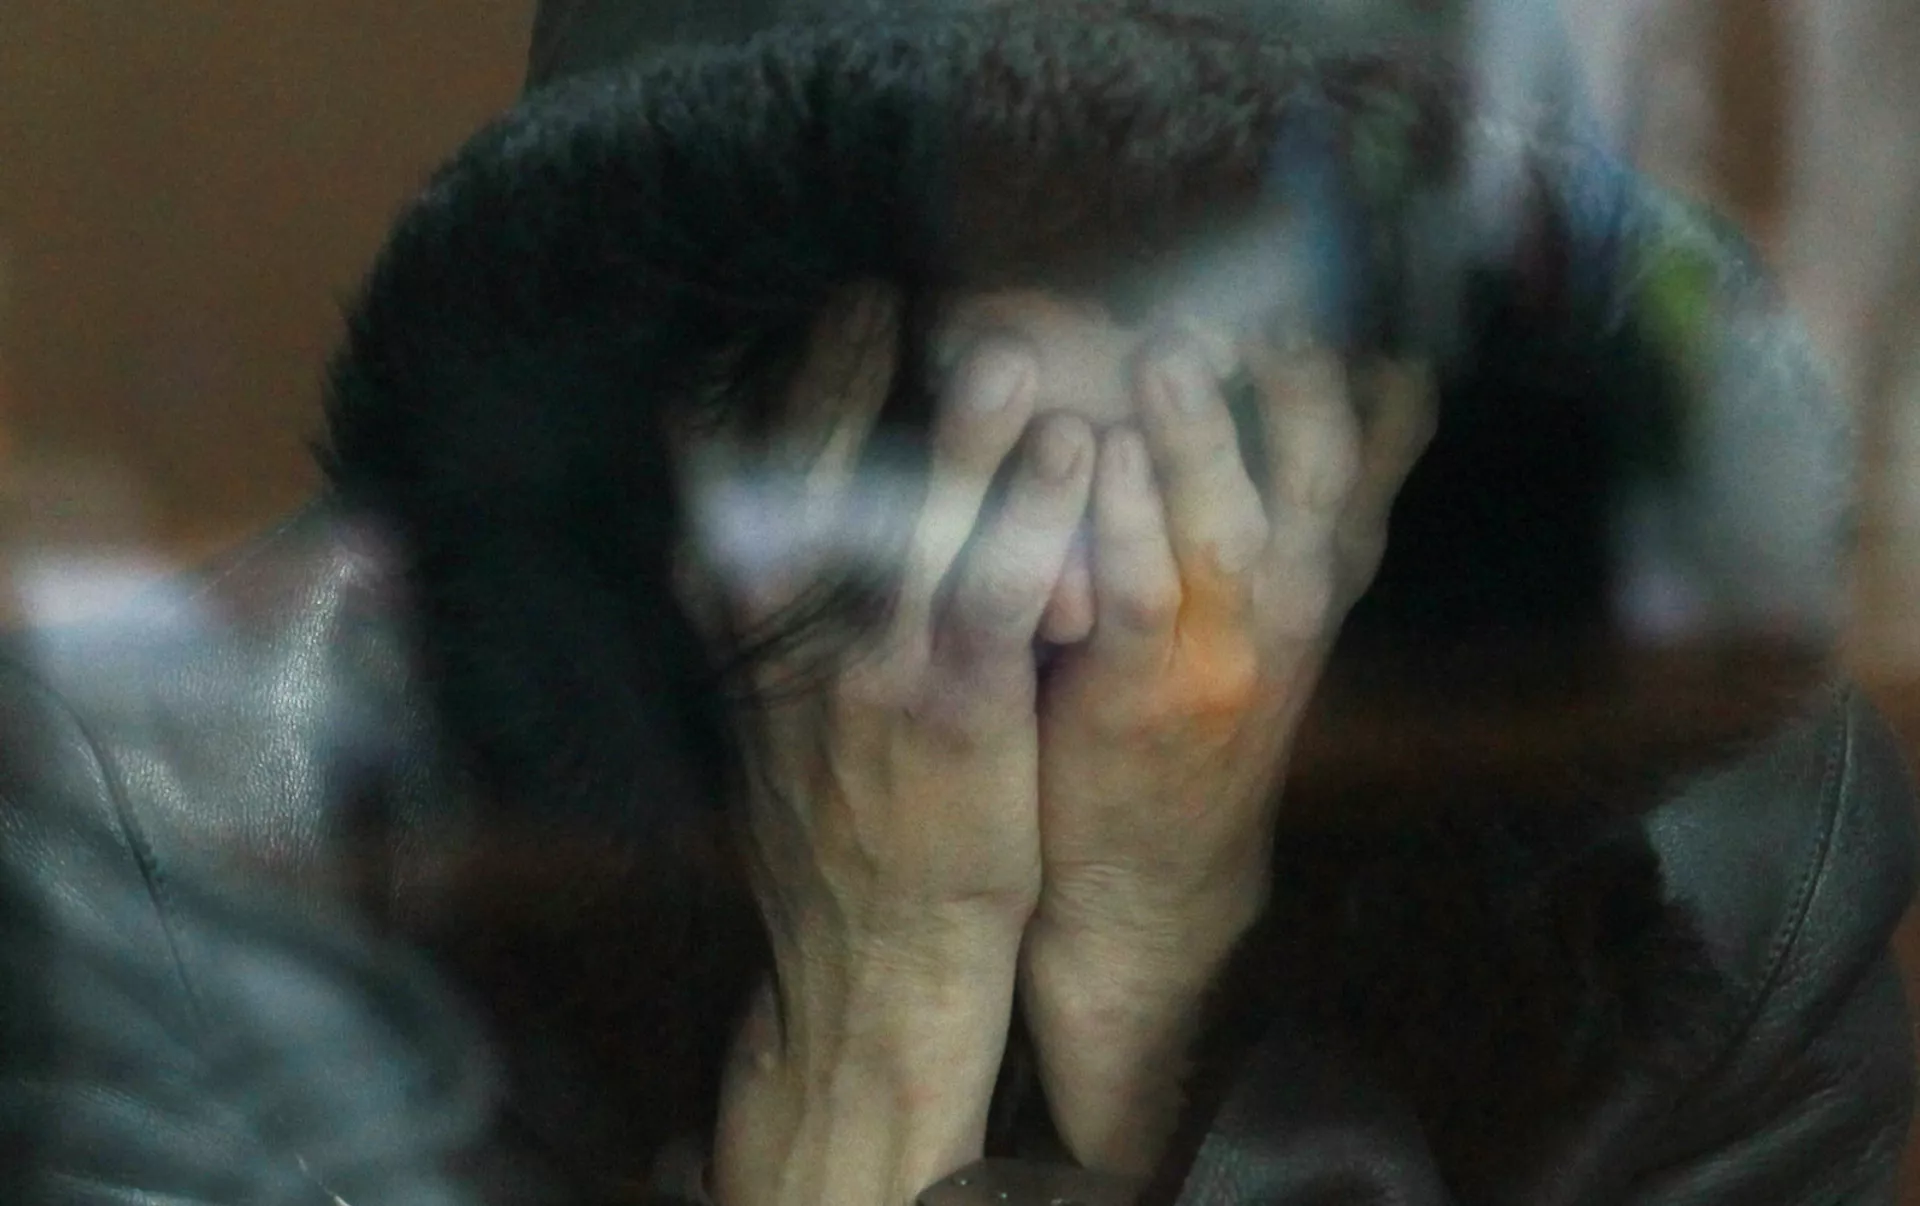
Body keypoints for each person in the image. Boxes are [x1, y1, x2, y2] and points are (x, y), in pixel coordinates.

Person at [1, 3, 1914, 1205]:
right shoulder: (173, 848)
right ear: (682, 390)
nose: (1079, 570)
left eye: (1224, 405)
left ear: (1417, 423)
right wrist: (875, 1041)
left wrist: (1159, 1011)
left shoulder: (1727, 870)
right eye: (943, 412)